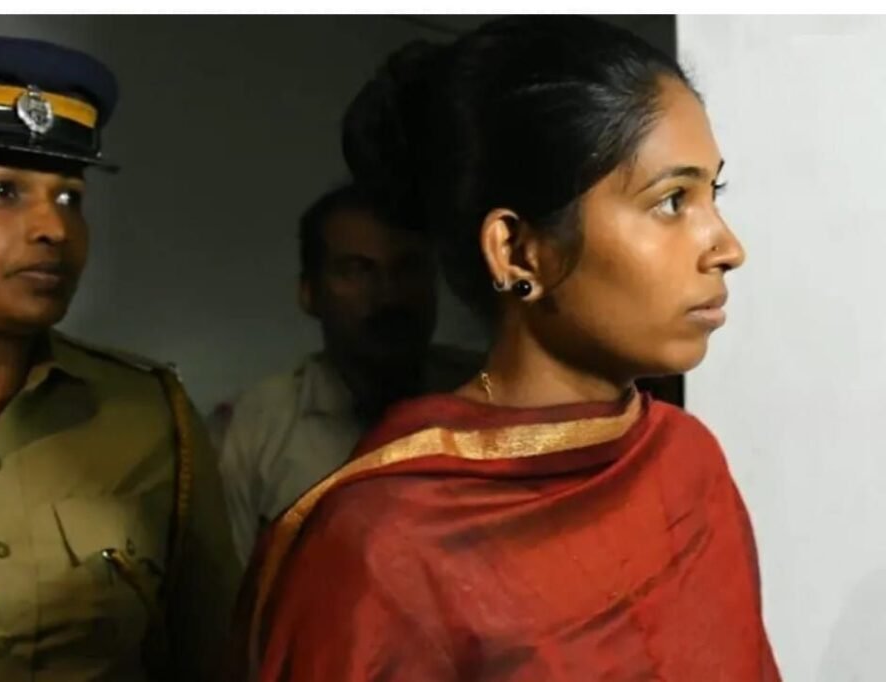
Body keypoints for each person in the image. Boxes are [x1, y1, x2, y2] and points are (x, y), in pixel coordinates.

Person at [238, 16, 780, 681]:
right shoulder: (382, 545)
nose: (727, 248)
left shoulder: (688, 466)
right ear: (519, 251)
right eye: (671, 201)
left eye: (712, 193)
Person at [0, 37, 239, 681]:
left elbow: (217, 656)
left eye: (69, 199)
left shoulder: (149, 417)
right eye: (3, 191)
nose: (54, 229)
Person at [218, 183, 478, 564]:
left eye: (408, 268)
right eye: (357, 271)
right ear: (309, 292)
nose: (388, 294)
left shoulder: (487, 394)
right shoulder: (255, 429)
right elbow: (225, 590)